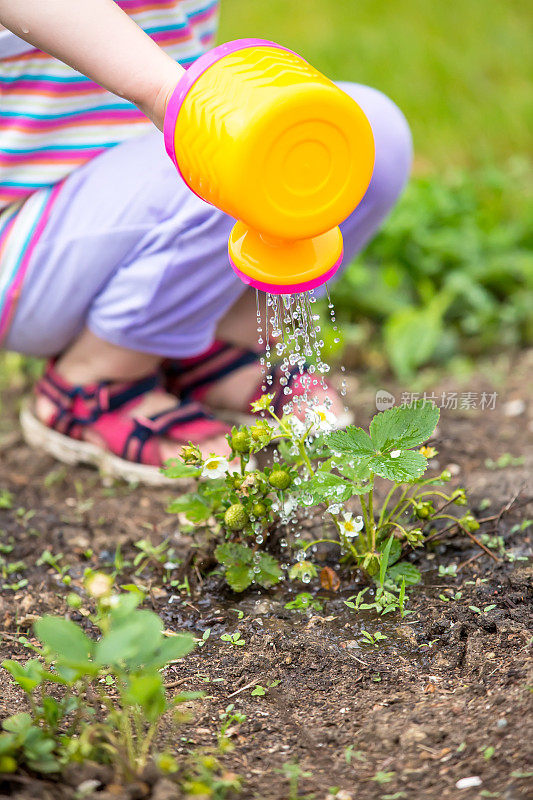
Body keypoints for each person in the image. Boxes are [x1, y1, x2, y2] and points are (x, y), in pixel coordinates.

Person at [0, 0, 412, 484]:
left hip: (127, 196)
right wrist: (171, 95)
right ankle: (94, 381)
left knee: (365, 133)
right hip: (22, 234)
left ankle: (209, 346)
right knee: (234, 159)